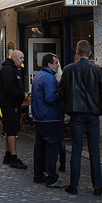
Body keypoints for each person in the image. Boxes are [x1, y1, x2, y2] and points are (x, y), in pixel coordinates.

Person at [58, 40, 102, 196]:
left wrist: (69, 104)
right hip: (92, 112)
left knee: (76, 148)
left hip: (76, 112)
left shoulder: (69, 69)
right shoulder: (97, 70)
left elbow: (62, 91)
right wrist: (100, 106)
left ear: (77, 53)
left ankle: (74, 185)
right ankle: (97, 186)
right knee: (94, 149)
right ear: (90, 53)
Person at [31, 53, 65, 188]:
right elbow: (50, 98)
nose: (58, 66)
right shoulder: (49, 78)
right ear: (49, 65)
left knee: (39, 148)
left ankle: (38, 175)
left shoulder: (38, 76)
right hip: (50, 118)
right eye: (56, 63)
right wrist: (61, 93)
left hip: (39, 117)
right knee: (51, 149)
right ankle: (52, 178)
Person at [0, 50, 28, 169]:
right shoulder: (8, 70)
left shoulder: (11, 69)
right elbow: (9, 87)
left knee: (9, 130)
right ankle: (13, 157)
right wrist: (21, 96)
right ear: (14, 58)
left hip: (11, 104)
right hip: (10, 105)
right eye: (20, 58)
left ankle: (8, 155)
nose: (22, 60)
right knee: (12, 131)